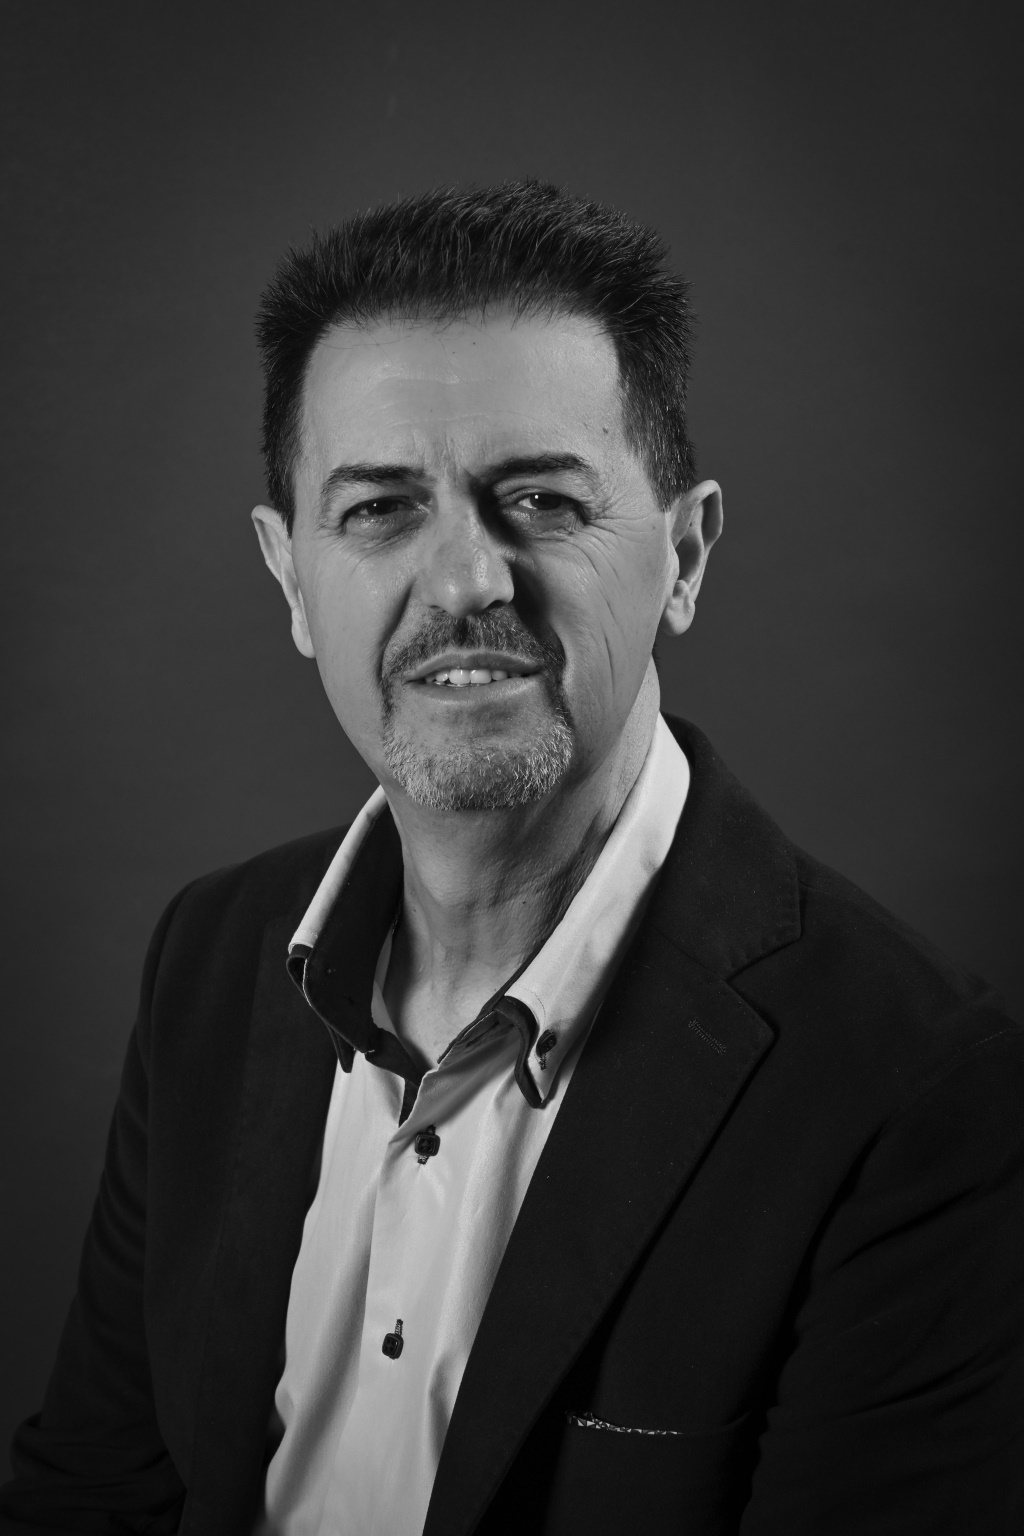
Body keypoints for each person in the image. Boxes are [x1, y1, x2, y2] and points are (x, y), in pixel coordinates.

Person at [2, 181, 1022, 1536]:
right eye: (380, 508)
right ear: (291, 578)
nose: (465, 581)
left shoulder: (916, 1088)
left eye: (539, 499)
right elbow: (93, 1494)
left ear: (684, 556)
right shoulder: (208, 956)